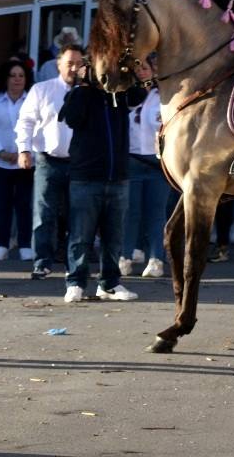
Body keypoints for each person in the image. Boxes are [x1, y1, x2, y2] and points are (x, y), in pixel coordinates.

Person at [57, 62, 144, 303]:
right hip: (85, 177)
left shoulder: (121, 95)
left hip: (117, 177)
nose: (105, 76)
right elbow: (72, 119)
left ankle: (109, 283)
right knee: (80, 235)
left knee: (113, 236)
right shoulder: (80, 94)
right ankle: (75, 281)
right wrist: (83, 85)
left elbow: (139, 94)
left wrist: (129, 72)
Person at [16, 44, 83, 279]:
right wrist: (24, 149)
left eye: (78, 64)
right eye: (69, 63)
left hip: (78, 163)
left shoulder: (88, 92)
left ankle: (71, 263)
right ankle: (42, 261)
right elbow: (26, 121)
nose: (74, 68)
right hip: (48, 160)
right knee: (44, 213)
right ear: (59, 64)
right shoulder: (42, 90)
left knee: (76, 215)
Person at [0, 58, 35, 261]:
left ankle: (24, 244)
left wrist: (24, 152)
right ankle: (1, 244)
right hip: (1, 162)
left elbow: (37, 129)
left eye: (21, 76)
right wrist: (0, 152)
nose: (17, 79)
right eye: (12, 75)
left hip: (26, 161)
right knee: (3, 204)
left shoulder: (32, 101)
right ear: (6, 79)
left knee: (23, 203)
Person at [122, 57, 170, 279]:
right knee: (130, 212)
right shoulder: (128, 96)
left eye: (145, 68)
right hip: (132, 161)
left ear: (154, 70)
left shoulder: (164, 97)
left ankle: (156, 258)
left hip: (156, 163)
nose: (141, 72)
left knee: (156, 213)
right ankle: (125, 256)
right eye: (137, 69)